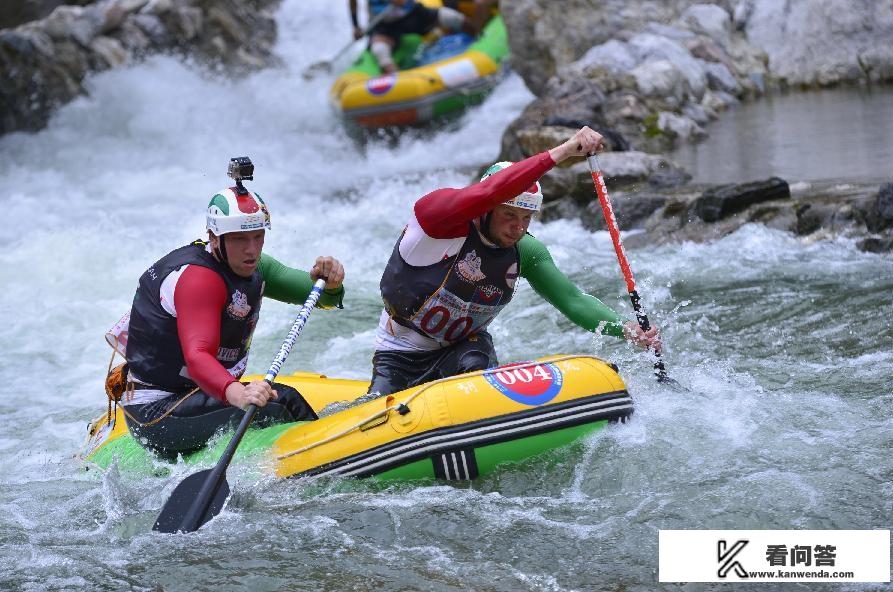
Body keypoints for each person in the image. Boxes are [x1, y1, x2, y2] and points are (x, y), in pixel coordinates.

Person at [368, 126, 661, 396]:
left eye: (526, 217)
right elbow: (488, 191)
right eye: (509, 215)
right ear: (485, 209)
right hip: (399, 350)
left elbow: (572, 299)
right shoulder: (437, 221)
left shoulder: (526, 251)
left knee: (476, 359)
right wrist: (563, 151)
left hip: (465, 349)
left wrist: (626, 329)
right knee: (378, 404)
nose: (518, 228)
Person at [118, 167, 346, 457]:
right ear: (215, 238)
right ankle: (332, 465)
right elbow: (197, 356)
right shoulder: (199, 279)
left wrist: (331, 282)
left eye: (258, 236)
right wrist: (238, 393)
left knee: (277, 397)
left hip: (199, 395)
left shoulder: (255, 266)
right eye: (240, 239)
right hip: (157, 411)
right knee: (282, 402)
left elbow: (319, 296)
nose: (252, 250)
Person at [348, 0, 467, 74]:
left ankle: (479, 37)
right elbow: (353, 2)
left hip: (412, 14)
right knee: (380, 50)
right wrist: (356, 26)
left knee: (452, 17)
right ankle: (400, 85)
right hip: (384, 25)